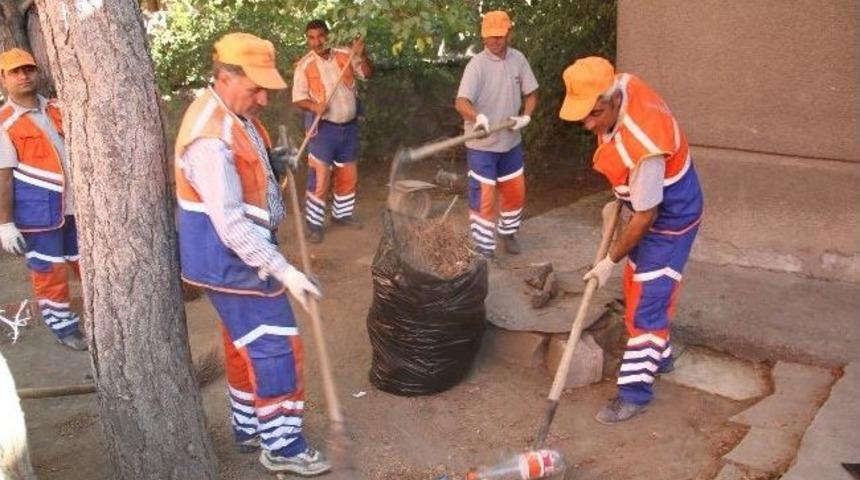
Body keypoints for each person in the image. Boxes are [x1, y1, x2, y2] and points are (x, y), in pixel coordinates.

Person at [174, 32, 329, 475]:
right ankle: (281, 444)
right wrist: (286, 273)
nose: (263, 97)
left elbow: (247, 171)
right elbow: (232, 225)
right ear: (224, 77)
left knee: (242, 344)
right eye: (255, 87)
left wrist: (275, 163)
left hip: (231, 258)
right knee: (276, 347)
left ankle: (248, 427)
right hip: (232, 260)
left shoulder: (234, 114)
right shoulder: (210, 136)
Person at [559, 57, 704, 424]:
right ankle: (661, 356)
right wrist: (619, 200)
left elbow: (646, 217)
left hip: (670, 220)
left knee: (646, 306)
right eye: (584, 115)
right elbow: (635, 200)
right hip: (647, 206)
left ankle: (634, 394)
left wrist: (609, 259)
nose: (588, 124)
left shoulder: (645, 149)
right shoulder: (620, 84)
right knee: (640, 288)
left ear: (613, 101)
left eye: (594, 114)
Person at [0, 48, 87, 351]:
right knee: (49, 272)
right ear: (3, 78)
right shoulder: (4, 122)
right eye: (15, 71)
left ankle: (103, 322)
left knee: (88, 266)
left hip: (77, 207)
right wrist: (6, 224)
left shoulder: (56, 109)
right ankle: (63, 327)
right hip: (38, 212)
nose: (24, 76)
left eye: (28, 69)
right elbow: (3, 177)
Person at [455, 10, 538, 258]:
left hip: (510, 142)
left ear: (509, 34)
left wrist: (526, 116)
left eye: (500, 36)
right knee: (484, 198)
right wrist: (476, 117)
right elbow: (461, 102)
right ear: (483, 38)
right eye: (490, 37)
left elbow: (532, 93)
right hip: (482, 145)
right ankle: (483, 247)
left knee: (515, 192)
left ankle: (508, 233)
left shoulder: (518, 60)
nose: (495, 41)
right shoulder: (476, 65)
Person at [292, 19, 373, 244]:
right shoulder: (304, 66)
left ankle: (342, 215)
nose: (317, 41)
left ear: (328, 35)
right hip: (324, 130)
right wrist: (314, 106)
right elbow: (298, 98)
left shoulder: (345, 54)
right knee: (319, 179)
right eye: (312, 37)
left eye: (320, 36)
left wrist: (362, 54)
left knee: (348, 175)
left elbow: (367, 74)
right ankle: (315, 225)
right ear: (308, 40)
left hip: (349, 127)